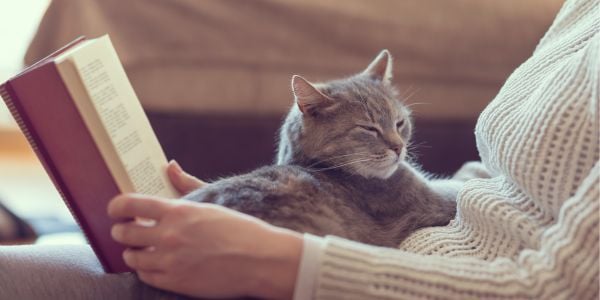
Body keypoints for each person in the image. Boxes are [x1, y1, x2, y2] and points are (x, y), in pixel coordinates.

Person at [0, 0, 597, 299]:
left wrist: (280, 259)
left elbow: (558, 287)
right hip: (384, 241)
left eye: (397, 130)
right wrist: (240, 203)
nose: (395, 144)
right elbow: (501, 178)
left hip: (382, 276)